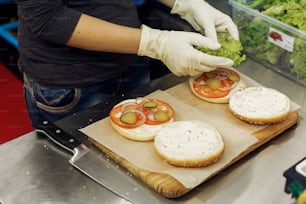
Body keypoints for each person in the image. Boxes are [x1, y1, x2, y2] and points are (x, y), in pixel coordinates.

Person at [15, 0, 239, 128]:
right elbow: (48, 19)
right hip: (72, 83)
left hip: (130, 54)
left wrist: (186, 4)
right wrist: (155, 43)